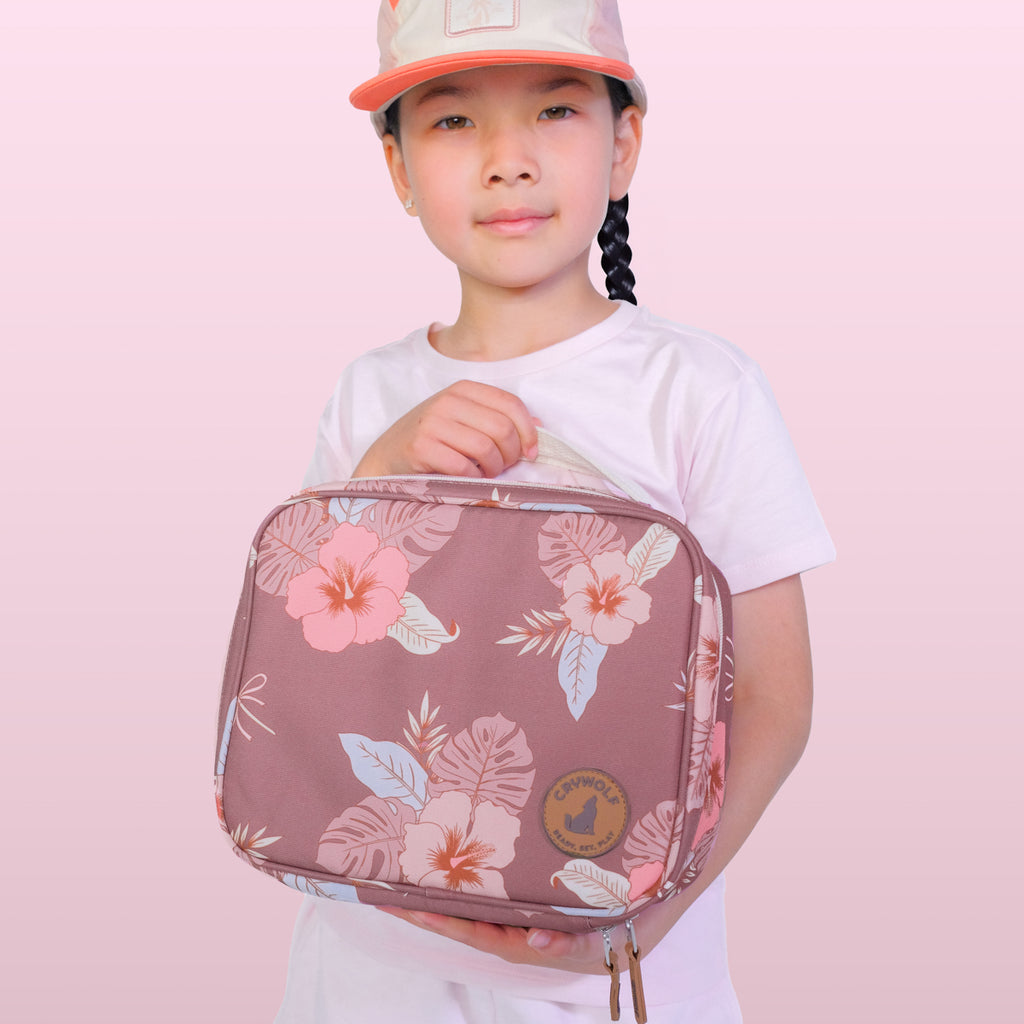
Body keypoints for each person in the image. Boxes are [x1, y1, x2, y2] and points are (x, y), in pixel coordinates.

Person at [275, 1, 835, 1021]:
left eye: (556, 110)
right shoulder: (366, 392)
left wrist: (649, 918)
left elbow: (777, 700)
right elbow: (312, 679)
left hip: (610, 970)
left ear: (624, 144)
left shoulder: (697, 388)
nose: (507, 158)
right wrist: (385, 465)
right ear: (397, 170)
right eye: (450, 120)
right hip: (365, 970)